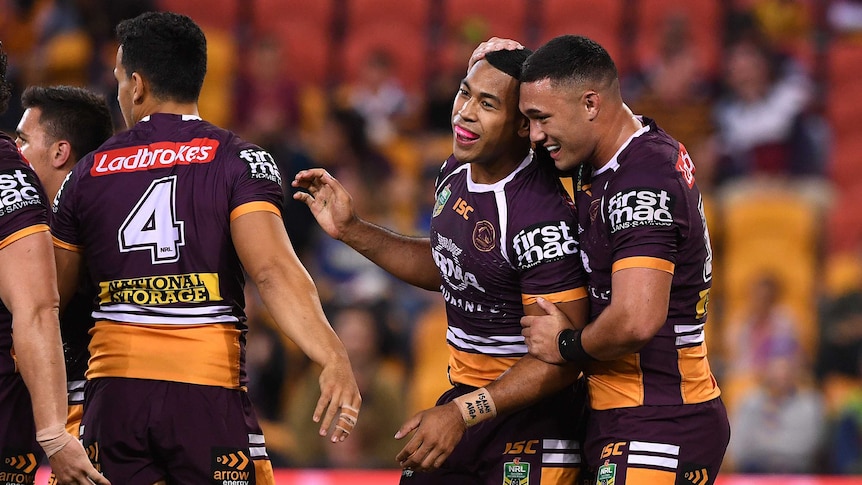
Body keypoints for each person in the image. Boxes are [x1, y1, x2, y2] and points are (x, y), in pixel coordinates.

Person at [49, 12, 361, 484]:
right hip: (205, 393)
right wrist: (331, 355)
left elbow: (51, 300)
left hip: (115, 396)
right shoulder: (239, 159)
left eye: (117, 79)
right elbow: (273, 271)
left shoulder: (86, 174)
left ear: (136, 85)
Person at [294, 47, 591, 484]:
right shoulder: (455, 170)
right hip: (466, 401)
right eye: (464, 94)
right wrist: (352, 229)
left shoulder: (540, 216)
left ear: (522, 125)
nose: (465, 114)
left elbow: (562, 361)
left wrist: (460, 412)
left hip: (534, 422)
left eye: (487, 104)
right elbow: (448, 263)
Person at [448, 34, 730, 485]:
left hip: (659, 420)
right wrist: (497, 68)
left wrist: (566, 346)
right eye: (528, 120)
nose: (536, 135)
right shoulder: (604, 154)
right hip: (614, 417)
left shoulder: (642, 183)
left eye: (541, 120)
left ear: (592, 105)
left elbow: (636, 320)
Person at [0, 44, 108, 485]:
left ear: (61, 152)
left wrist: (53, 433)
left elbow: (40, 310)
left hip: (75, 406)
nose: (17, 148)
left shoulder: (14, 180)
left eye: (24, 140)